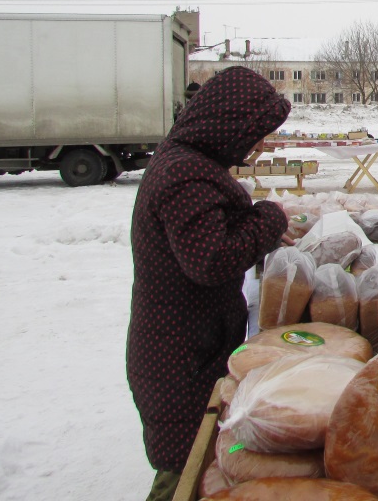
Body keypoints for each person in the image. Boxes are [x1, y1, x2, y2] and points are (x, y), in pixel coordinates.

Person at [126, 66, 294, 501]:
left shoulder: (191, 163)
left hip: (186, 348)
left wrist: (254, 225)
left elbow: (208, 235)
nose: (261, 144)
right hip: (180, 361)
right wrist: (269, 217)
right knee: (185, 472)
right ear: (231, 125)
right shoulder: (186, 175)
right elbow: (211, 259)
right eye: (257, 133)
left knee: (197, 464)